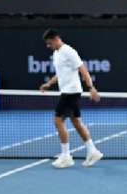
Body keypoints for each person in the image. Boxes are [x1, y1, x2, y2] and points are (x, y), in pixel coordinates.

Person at [38, 29, 103, 168]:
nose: (48, 46)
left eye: (50, 43)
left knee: (58, 120)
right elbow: (60, 74)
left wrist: (91, 87)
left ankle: (66, 156)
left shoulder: (69, 51)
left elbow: (83, 69)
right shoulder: (56, 54)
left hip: (71, 92)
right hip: (67, 92)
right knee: (77, 123)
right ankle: (93, 150)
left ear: (56, 39)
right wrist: (49, 83)